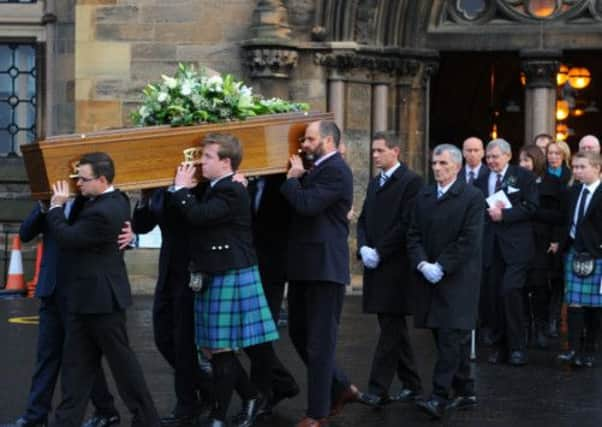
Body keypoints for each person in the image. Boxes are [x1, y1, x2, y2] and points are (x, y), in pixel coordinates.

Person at [171, 134, 279, 427]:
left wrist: (180, 190)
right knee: (211, 347)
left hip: (230, 271)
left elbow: (199, 216)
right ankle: (251, 395)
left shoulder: (231, 190)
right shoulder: (218, 187)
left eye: (207, 157)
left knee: (220, 348)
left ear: (226, 162)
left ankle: (219, 416)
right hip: (214, 271)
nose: (200, 162)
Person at [46, 152, 160, 427]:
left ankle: (147, 419)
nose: (78, 184)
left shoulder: (104, 210)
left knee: (122, 365)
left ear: (102, 179)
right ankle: (66, 421)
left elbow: (67, 238)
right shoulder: (115, 198)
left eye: (83, 179)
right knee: (76, 368)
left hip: (102, 302)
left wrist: (56, 208)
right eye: (77, 178)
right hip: (85, 299)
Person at [281, 120, 372, 427]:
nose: (303, 144)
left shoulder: (337, 170)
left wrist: (293, 180)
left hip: (324, 268)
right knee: (298, 333)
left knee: (320, 342)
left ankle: (316, 413)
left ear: (329, 142)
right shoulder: (318, 168)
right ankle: (342, 386)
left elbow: (306, 205)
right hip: (305, 266)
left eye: (309, 139)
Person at [16, 198, 132, 427]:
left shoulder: (90, 202)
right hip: (52, 289)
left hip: (80, 292)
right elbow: (25, 232)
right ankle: (35, 416)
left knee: (82, 358)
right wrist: (43, 207)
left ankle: (106, 411)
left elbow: (110, 232)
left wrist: (132, 236)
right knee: (47, 355)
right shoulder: (50, 201)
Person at [408, 144, 484, 420]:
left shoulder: (472, 197)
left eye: (443, 163)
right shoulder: (424, 195)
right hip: (429, 277)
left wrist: (442, 265)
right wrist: (422, 263)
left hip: (458, 279)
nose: (437, 168)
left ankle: (439, 396)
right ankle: (466, 390)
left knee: (452, 335)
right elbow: (413, 233)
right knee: (445, 336)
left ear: (457, 167)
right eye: (434, 163)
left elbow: (469, 239)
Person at [132, 185, 213, 426]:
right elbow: (141, 226)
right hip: (168, 269)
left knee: (183, 341)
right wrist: (143, 199)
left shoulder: (195, 187)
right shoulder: (158, 190)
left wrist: (181, 190)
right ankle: (207, 386)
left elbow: (194, 219)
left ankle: (187, 404)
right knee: (163, 336)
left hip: (191, 267)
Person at [356, 131, 424, 406]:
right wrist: (362, 247)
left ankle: (377, 388)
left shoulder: (411, 182)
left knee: (390, 330)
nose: (374, 155)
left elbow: (406, 223)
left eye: (379, 150)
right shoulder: (374, 183)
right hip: (376, 265)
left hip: (396, 268)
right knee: (393, 327)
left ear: (395, 151)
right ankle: (413, 384)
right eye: (373, 151)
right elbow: (362, 220)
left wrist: (379, 251)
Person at [474, 139, 539, 366]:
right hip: (491, 248)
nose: (491, 161)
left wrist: (505, 215)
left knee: (510, 292)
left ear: (508, 156)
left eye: (495, 156)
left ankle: (517, 347)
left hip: (516, 248)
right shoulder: (480, 180)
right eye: (488, 157)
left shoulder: (523, 177)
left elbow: (531, 207)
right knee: (493, 298)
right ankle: (499, 346)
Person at [246, 174, 300, 412]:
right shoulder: (250, 184)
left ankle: (261, 394)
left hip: (273, 268)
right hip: (250, 266)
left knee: (258, 335)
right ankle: (282, 383)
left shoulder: (281, 182)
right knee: (250, 334)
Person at [557, 151, 602, 368]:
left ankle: (590, 349)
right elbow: (567, 220)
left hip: (597, 254)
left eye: (582, 167)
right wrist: (561, 242)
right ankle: (573, 348)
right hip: (574, 251)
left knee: (595, 306)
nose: (576, 171)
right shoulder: (573, 191)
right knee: (573, 303)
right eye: (574, 167)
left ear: (597, 168)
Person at [518, 145, 564, 349]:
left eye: (527, 160)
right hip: (518, 240)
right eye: (521, 160)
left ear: (537, 160)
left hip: (542, 242)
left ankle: (540, 328)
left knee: (539, 286)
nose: (524, 164)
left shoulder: (553, 183)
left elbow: (559, 216)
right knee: (520, 287)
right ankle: (525, 328)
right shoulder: (514, 181)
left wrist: (555, 239)